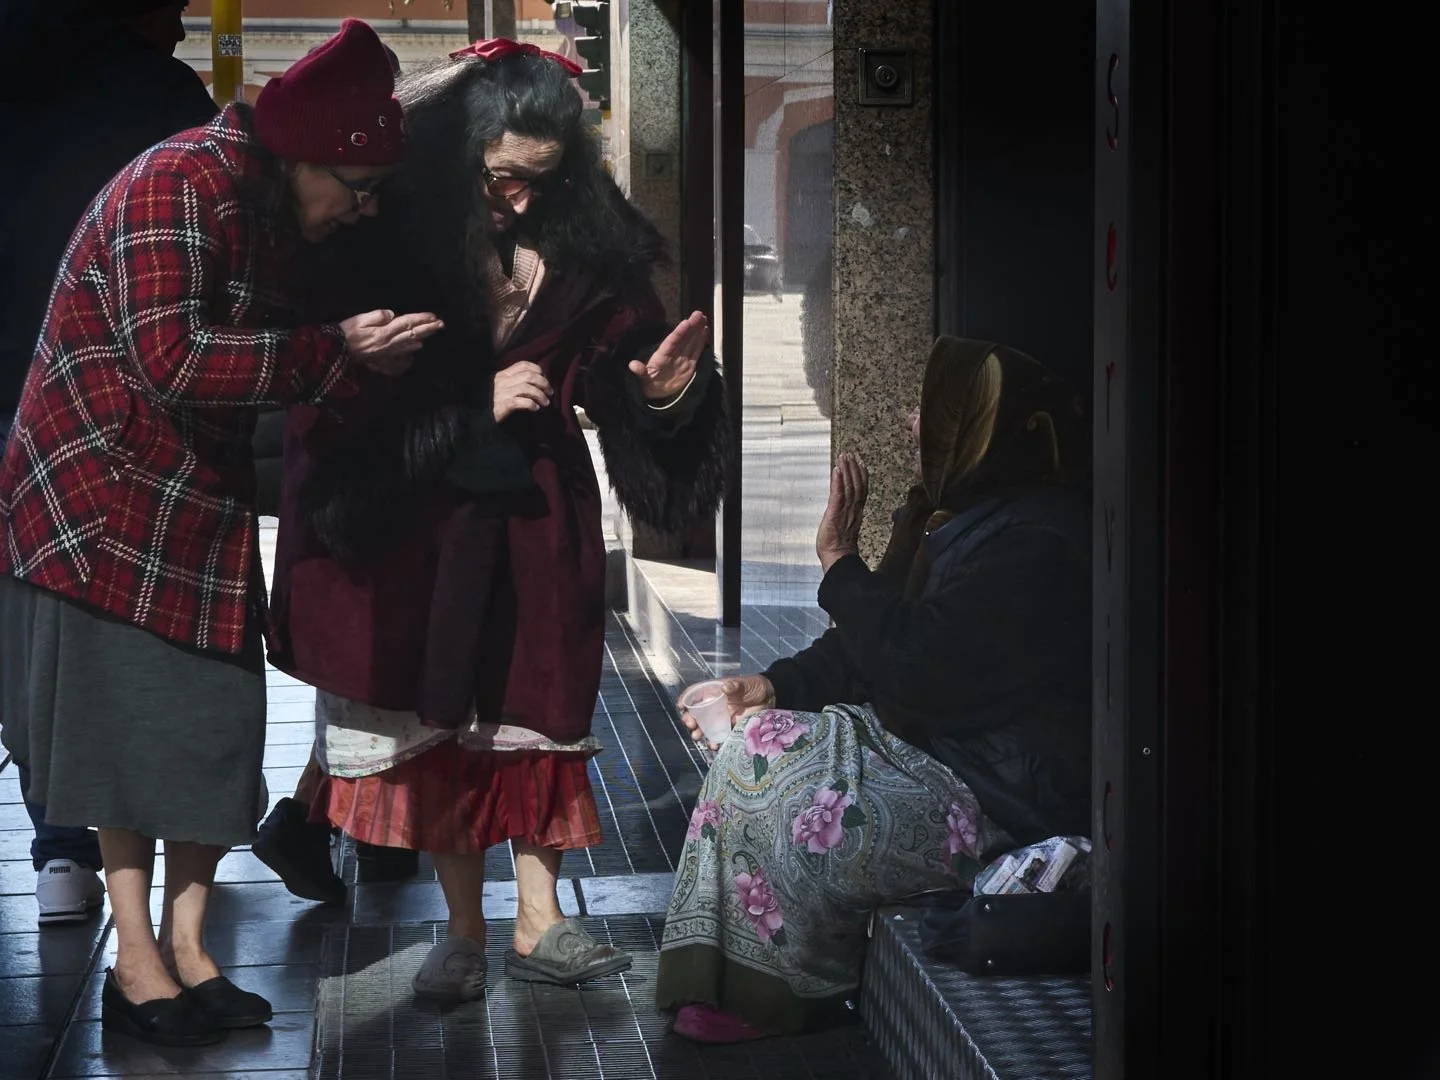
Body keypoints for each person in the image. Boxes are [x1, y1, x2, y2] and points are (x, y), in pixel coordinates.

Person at [0, 19, 443, 1048]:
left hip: (191, 494)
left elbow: (282, 348)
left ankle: (191, 948)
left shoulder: (280, 215)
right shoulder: (179, 185)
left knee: (216, 722)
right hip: (94, 499)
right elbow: (174, 357)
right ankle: (135, 964)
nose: (362, 207)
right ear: (303, 153)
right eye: (358, 183)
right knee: (123, 735)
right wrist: (331, 354)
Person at [258, 38, 730, 1000]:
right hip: (421, 519)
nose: (517, 200)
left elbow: (631, 365)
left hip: (536, 515)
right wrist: (469, 402)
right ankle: (464, 932)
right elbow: (333, 389)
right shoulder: (381, 230)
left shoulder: (594, 242)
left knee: (538, 710)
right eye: (502, 176)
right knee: (442, 720)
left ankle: (543, 922)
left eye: (538, 184)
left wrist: (666, 394)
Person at [654, 336, 1091, 1042]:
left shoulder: (1034, 543)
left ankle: (790, 985)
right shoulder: (950, 516)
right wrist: (768, 687)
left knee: (798, 796)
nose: (911, 427)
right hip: (934, 750)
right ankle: (729, 979)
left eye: (929, 412)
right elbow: (870, 646)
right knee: (751, 746)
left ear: (976, 431)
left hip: (998, 794)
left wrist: (839, 562)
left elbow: (915, 668)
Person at [0, 0, 219, 926]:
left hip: (23, 388)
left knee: (23, 629)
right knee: (95, 624)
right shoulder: (156, 95)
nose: (177, 28)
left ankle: (59, 847)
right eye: (167, 10)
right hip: (99, 400)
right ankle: (93, 858)